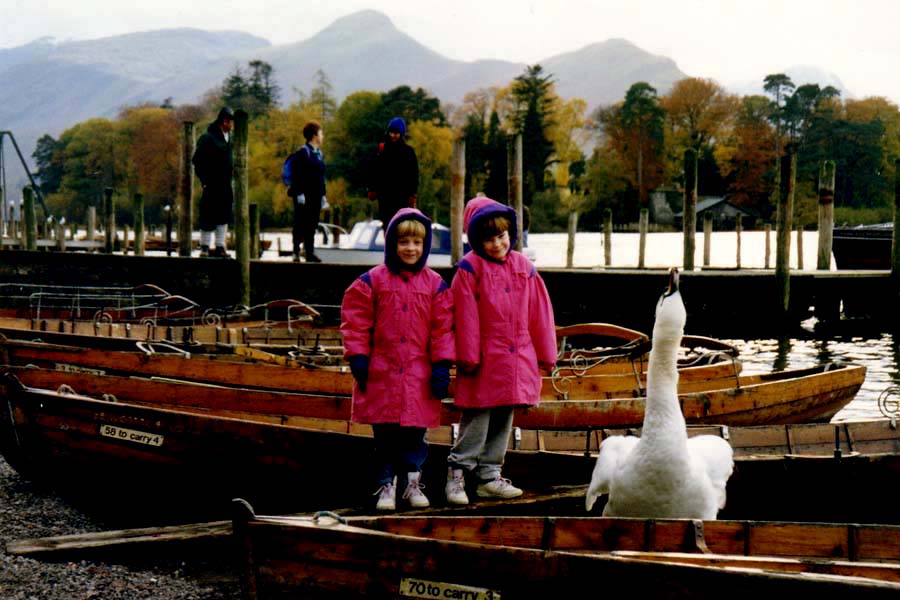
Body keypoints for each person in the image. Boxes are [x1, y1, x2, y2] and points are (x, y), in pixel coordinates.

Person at [445, 196, 557, 505]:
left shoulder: (524, 267)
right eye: (489, 238)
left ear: (512, 234)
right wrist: (467, 357)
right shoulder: (469, 270)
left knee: (503, 419)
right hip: (482, 362)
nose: (497, 244)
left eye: (502, 236)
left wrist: (546, 354)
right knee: (477, 419)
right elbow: (464, 316)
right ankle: (457, 473)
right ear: (476, 240)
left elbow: (540, 315)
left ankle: (489, 477)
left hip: (516, 361)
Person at [340, 208, 454, 510]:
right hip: (382, 373)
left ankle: (412, 484)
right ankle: (386, 485)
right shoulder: (371, 282)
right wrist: (358, 356)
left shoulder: (436, 285)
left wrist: (442, 365)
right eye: (404, 242)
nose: (411, 248)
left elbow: (443, 330)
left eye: (417, 243)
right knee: (386, 436)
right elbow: (355, 322)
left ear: (426, 245)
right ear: (392, 243)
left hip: (419, 375)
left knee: (416, 436)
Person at [192, 106, 235, 258]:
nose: (232, 125)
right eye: (231, 122)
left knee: (224, 215)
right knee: (208, 215)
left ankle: (220, 246)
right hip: (211, 183)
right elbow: (197, 160)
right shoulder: (208, 138)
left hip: (226, 184)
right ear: (224, 121)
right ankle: (204, 247)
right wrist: (204, 180)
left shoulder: (229, 138)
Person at [367, 117, 419, 231]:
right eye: (391, 132)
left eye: (396, 133)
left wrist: (413, 194)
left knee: (401, 227)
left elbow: (414, 175)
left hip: (402, 197)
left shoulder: (408, 152)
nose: (393, 136)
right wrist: (372, 188)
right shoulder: (381, 150)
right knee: (387, 226)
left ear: (401, 134)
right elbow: (373, 171)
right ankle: (389, 247)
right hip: (384, 196)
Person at [287, 121, 326, 263]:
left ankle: (309, 251)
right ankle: (296, 251)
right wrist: (299, 193)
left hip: (316, 195)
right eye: (321, 133)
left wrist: (323, 194)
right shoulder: (303, 153)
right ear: (314, 135)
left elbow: (321, 177)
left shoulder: (319, 154)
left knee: (312, 224)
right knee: (300, 222)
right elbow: (297, 175)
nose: (322, 136)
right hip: (303, 195)